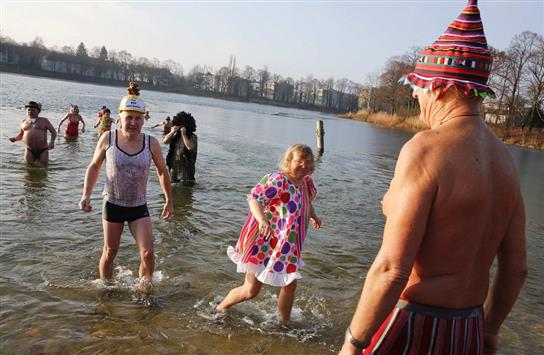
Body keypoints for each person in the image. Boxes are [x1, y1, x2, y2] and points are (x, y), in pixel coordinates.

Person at [339, 1, 527, 354]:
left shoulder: (424, 149)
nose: (414, 92)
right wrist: (489, 331)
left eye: (419, 85)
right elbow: (516, 268)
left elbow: (392, 269)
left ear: (440, 87)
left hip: (414, 325)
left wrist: (353, 342)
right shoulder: (505, 160)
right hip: (468, 328)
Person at [79, 82, 173, 293]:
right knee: (110, 251)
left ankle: (145, 291)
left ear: (144, 119)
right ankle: (105, 290)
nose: (133, 122)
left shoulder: (151, 143)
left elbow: (162, 171)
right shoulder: (108, 137)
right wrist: (86, 195)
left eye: (138, 118)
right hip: (112, 203)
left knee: (148, 253)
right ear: (120, 117)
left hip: (138, 205)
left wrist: (169, 200)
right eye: (128, 117)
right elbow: (94, 166)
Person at [216, 144, 322, 324]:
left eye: (308, 162)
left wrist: (314, 216)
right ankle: (219, 309)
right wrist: (262, 220)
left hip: (287, 245)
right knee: (251, 290)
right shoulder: (279, 181)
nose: (304, 166)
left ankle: (284, 323)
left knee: (290, 284)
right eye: (299, 161)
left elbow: (306, 201)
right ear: (289, 161)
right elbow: (254, 198)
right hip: (265, 242)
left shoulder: (305, 183)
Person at [8, 101, 57, 165]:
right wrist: (15, 139)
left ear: (38, 111)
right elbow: (21, 135)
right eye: (28, 110)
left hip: (43, 149)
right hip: (29, 150)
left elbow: (53, 132)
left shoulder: (44, 120)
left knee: (44, 168)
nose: (30, 111)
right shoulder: (24, 121)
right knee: (28, 168)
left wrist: (52, 142)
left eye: (33, 110)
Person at [163, 111, 198, 185]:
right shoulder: (175, 135)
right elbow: (165, 141)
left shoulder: (193, 137)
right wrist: (172, 132)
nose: (179, 127)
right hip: (173, 168)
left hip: (186, 171)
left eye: (181, 125)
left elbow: (189, 147)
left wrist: (184, 134)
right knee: (172, 190)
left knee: (185, 190)